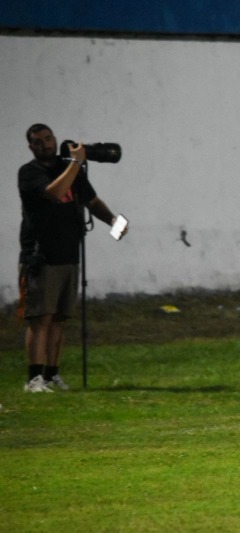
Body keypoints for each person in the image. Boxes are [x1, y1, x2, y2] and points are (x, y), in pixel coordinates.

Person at [17, 123, 127, 393]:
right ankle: (34, 378)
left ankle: (52, 373)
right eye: (39, 141)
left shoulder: (70, 167)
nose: (46, 144)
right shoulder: (30, 173)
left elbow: (91, 200)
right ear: (31, 147)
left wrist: (112, 220)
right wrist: (75, 164)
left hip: (69, 253)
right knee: (41, 318)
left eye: (48, 138)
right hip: (41, 256)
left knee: (59, 318)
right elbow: (54, 193)